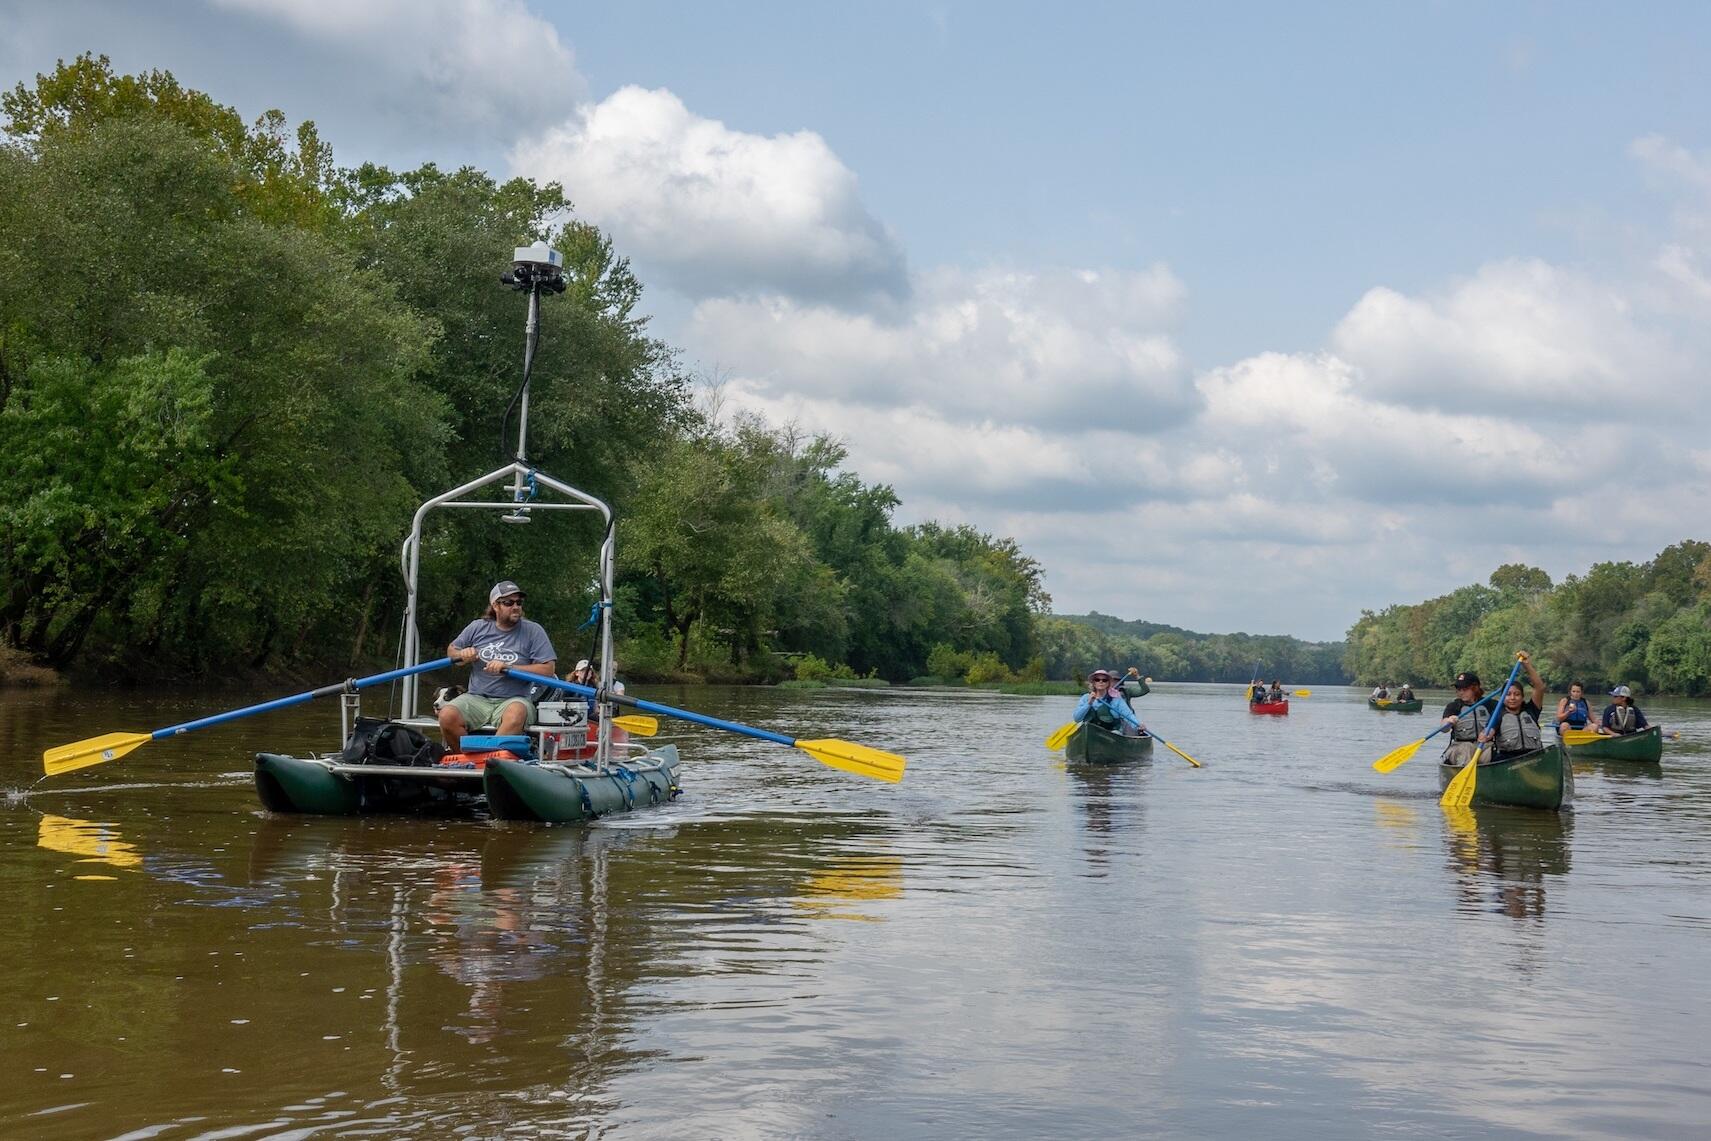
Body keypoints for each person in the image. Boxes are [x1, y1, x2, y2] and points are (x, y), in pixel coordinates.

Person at [438, 580, 557, 752]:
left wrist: (510, 668)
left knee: (516, 713)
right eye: (508, 603)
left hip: (514, 699)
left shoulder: (534, 630)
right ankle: (466, 761)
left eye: (519, 602)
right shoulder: (477, 627)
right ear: (495, 605)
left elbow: (548, 670)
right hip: (477, 697)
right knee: (446, 715)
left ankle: (489, 763)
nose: (515, 607)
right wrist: (462, 655)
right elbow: (452, 650)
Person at [1477, 652, 1547, 761]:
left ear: (1523, 697)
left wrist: (1526, 665)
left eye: (1517, 694)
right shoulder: (1498, 714)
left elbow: (1539, 687)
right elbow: (1490, 729)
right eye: (1508, 694)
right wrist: (1485, 735)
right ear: (1502, 698)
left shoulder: (1531, 710)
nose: (1513, 698)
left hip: (1532, 756)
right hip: (1507, 759)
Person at [1440, 670, 1491, 768]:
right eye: (1458, 689)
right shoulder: (1454, 706)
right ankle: (1465, 777)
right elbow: (1443, 728)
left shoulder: (1489, 704)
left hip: (1484, 747)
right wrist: (1448, 721)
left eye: (1465, 689)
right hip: (1459, 747)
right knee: (1466, 747)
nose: (1461, 692)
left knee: (1495, 751)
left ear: (1475, 688)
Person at [1075, 669, 1145, 736]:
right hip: (1090, 732)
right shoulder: (1085, 698)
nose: (1101, 682)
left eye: (1104, 680)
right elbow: (1077, 719)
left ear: (1108, 683)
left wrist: (1138, 725)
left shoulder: (1116, 699)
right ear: (1093, 683)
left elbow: (1128, 715)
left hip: (1111, 733)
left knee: (1116, 733)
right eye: (1097, 680)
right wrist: (1089, 703)